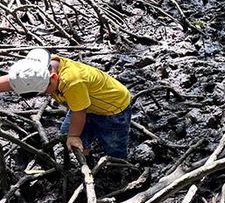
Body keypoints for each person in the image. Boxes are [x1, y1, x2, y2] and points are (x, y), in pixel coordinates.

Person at [0, 49, 133, 158]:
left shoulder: (72, 83)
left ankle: (118, 163)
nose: (45, 95)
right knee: (66, 134)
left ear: (53, 78)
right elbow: (14, 81)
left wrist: (74, 136)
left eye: (43, 92)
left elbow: (79, 112)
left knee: (113, 142)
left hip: (112, 109)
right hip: (83, 104)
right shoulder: (40, 67)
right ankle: (86, 155)